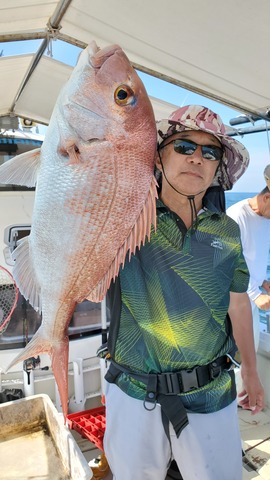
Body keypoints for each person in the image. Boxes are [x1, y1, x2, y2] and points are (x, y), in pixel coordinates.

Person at [103, 105, 265, 480]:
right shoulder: (126, 218)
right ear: (158, 157)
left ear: (217, 168)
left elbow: (238, 303)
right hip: (134, 392)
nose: (197, 157)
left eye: (210, 152)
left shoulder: (226, 230)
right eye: (184, 146)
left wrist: (252, 374)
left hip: (211, 393)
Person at [227, 168, 270, 351]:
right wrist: (255, 294)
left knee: (251, 350)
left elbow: (252, 255)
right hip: (236, 299)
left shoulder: (266, 217)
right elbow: (228, 263)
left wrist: (262, 281)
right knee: (240, 354)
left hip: (251, 293)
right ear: (267, 198)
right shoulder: (236, 216)